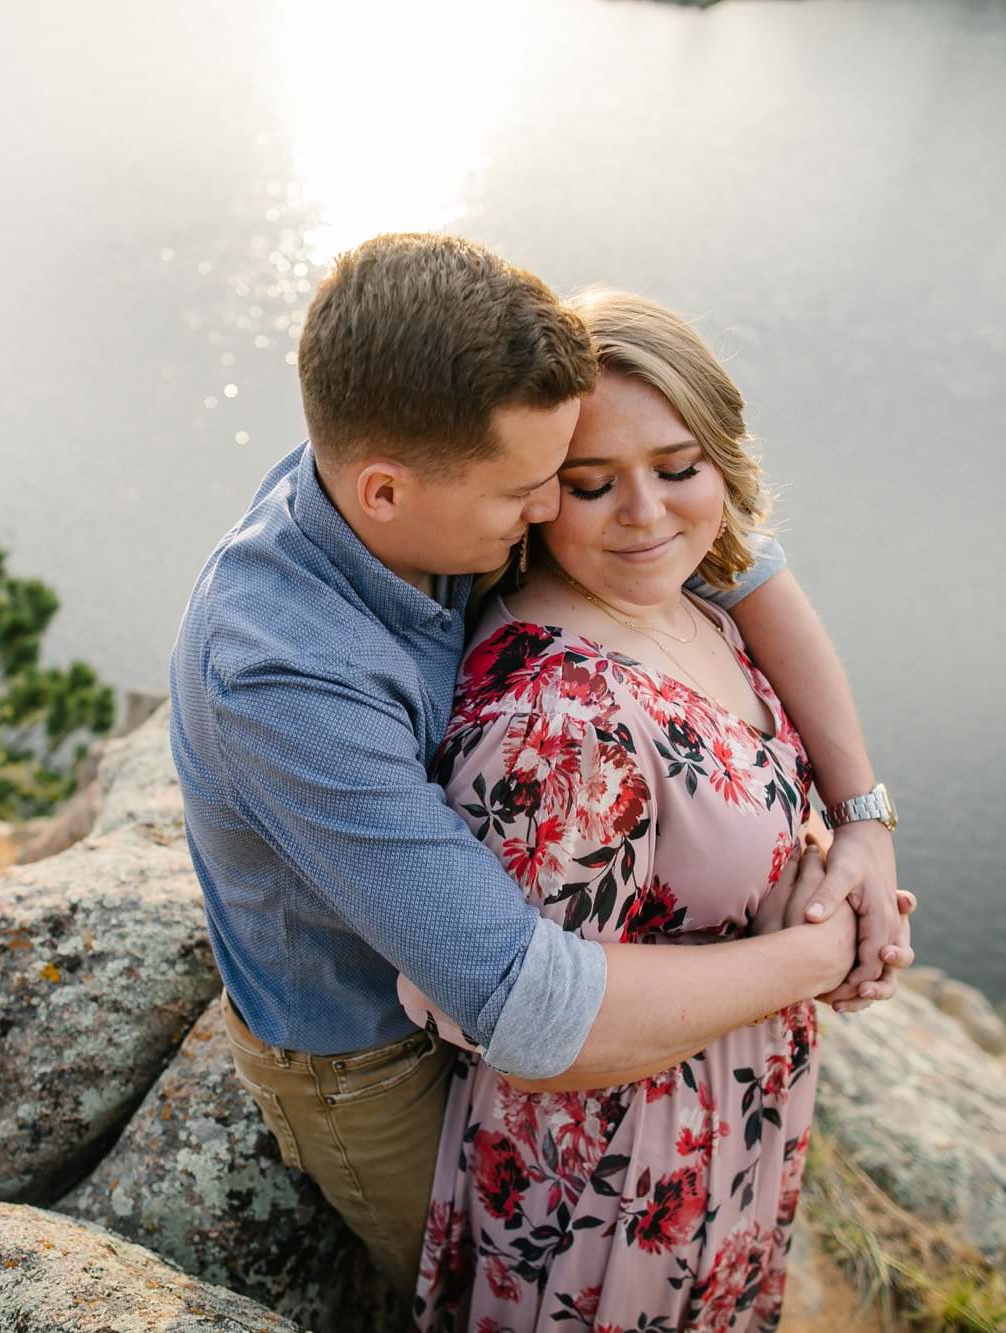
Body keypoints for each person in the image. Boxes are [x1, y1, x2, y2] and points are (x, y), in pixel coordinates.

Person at [168, 234, 913, 1301]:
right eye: (542, 488)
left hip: (533, 1011)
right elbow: (526, 1008)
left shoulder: (417, 450)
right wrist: (817, 956)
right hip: (372, 1057)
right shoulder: (282, 680)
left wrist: (863, 816)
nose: (551, 515)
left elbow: (743, 557)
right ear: (381, 492)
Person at [400, 288, 893, 1330]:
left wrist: (859, 833)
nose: (645, 512)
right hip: (610, 1191)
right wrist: (818, 953)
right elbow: (546, 1035)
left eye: (677, 468)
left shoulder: (690, 601)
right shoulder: (562, 717)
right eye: (591, 484)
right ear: (535, 495)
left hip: (726, 1128)